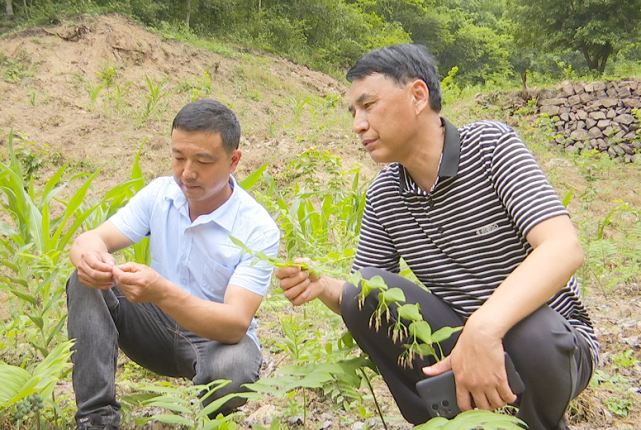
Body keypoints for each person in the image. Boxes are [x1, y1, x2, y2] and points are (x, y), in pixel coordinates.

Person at [275, 44, 598, 430]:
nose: (358, 124)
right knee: (365, 290)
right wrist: (323, 285)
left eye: (368, 105)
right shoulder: (384, 196)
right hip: (457, 343)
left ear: (417, 96)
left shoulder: (491, 148)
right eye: (354, 112)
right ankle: (444, 423)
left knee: (532, 334)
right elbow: (368, 301)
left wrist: (484, 328)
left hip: (550, 340)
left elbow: (563, 247)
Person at [67, 99, 280, 430]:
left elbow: (235, 323)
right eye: (178, 157)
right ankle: (96, 420)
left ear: (234, 160)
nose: (187, 172)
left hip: (217, 340)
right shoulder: (160, 194)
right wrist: (90, 258)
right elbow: (92, 239)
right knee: (84, 280)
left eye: (203, 161)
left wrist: (161, 291)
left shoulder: (257, 228)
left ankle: (207, 421)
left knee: (235, 367)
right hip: (155, 329)